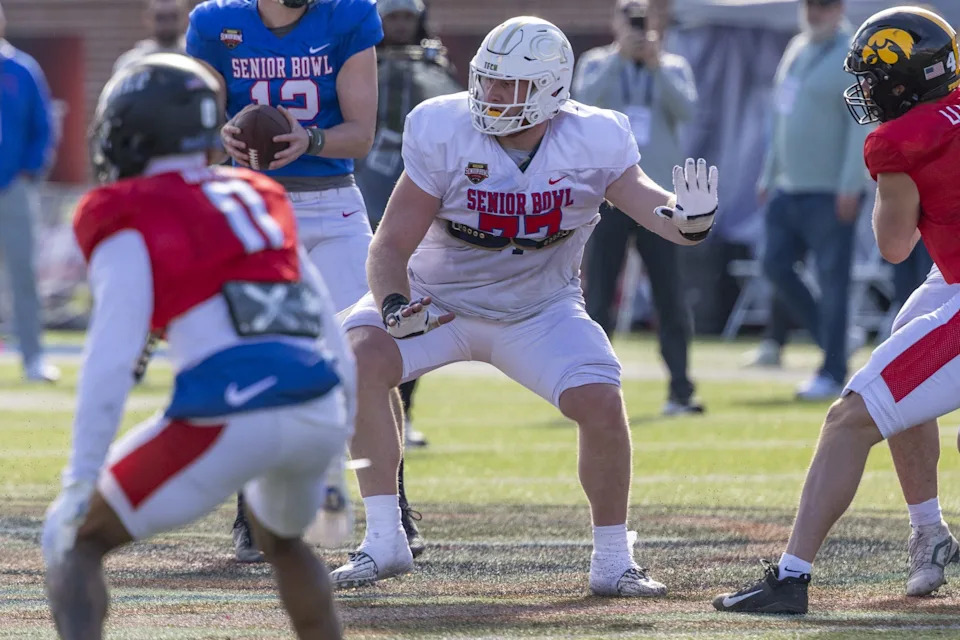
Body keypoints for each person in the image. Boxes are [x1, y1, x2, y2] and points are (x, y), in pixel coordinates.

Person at [329, 16, 719, 594]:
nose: (491, 95)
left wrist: (691, 221)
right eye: (486, 81)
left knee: (601, 402)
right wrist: (392, 304)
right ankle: (384, 540)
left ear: (552, 89)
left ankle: (613, 560)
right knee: (359, 355)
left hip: (539, 309)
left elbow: (655, 210)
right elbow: (390, 243)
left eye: (509, 85)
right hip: (439, 300)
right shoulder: (444, 128)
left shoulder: (593, 138)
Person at [42, 53, 351, 639]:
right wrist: (336, 462)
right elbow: (327, 328)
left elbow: (111, 357)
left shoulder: (128, 210)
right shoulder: (259, 195)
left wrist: (81, 481)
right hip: (318, 406)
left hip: (228, 411)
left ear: (132, 128)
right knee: (283, 541)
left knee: (76, 540)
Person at [714, 7, 960, 614]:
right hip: (949, 279)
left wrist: (891, 181)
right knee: (898, 351)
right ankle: (930, 534)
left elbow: (893, 244)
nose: (867, 90)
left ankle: (791, 579)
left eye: (876, 77)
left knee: (849, 418)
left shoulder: (900, 139)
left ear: (909, 77)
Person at [186, 0, 382, 562]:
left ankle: (389, 511)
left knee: (363, 360)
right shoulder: (214, 23)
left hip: (331, 208)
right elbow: (191, 129)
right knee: (259, 362)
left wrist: (312, 140)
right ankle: (256, 510)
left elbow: (361, 135)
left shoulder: (347, 15)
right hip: (251, 207)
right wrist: (216, 137)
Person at [573, 0, 702, 415]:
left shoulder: (674, 66)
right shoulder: (596, 63)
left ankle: (681, 391)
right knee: (599, 294)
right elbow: (581, 105)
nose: (636, 25)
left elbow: (687, 111)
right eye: (628, 17)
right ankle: (591, 385)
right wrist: (620, 59)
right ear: (614, 22)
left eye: (642, 18)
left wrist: (656, 64)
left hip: (660, 198)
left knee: (670, 295)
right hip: (608, 196)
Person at [755, 0, 869, 400]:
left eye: (823, 5)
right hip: (788, 188)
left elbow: (862, 123)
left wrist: (851, 183)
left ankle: (833, 370)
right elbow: (780, 116)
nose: (814, 12)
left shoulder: (853, 54)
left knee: (833, 281)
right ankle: (832, 337)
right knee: (774, 264)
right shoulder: (797, 47)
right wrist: (768, 174)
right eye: (810, 4)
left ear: (838, 8)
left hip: (830, 192)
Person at [0, 1, 60, 383]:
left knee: (24, 275)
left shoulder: (22, 69)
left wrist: (27, 172)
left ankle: (32, 357)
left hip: (14, 189)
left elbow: (43, 126)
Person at [113, 0, 187, 73]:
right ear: (148, 19)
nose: (167, 24)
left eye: (173, 17)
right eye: (160, 18)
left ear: (184, 17)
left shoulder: (195, 59)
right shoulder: (132, 64)